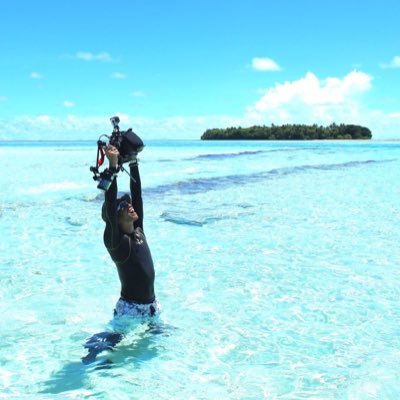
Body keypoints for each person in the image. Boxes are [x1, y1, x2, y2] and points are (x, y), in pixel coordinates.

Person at [101, 144, 159, 318]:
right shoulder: (117, 243)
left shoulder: (138, 230)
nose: (130, 205)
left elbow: (137, 194)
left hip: (151, 306)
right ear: (116, 216)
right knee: (119, 346)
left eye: (129, 203)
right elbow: (110, 203)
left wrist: (133, 163)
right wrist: (112, 167)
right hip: (129, 310)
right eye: (123, 205)